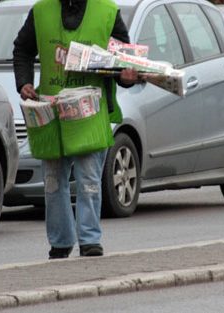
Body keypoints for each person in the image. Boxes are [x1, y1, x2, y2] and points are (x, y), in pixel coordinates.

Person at [13, 0, 140, 259]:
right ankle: (60, 244)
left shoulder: (107, 12)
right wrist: (24, 82)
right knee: (53, 183)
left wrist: (126, 77)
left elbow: (124, 61)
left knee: (89, 181)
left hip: (89, 114)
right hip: (51, 113)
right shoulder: (40, 11)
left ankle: (90, 241)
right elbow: (22, 50)